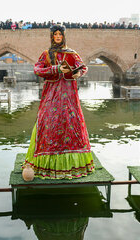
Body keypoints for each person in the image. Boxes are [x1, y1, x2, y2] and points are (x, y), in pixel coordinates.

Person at [24, 24, 95, 179]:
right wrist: (56, 69)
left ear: (64, 36)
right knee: (48, 121)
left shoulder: (72, 53)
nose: (58, 37)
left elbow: (83, 67)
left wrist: (77, 73)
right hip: (52, 94)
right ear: (51, 36)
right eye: (55, 34)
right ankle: (47, 164)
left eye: (60, 34)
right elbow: (37, 70)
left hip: (69, 95)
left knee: (71, 123)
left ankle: (72, 165)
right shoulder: (46, 54)